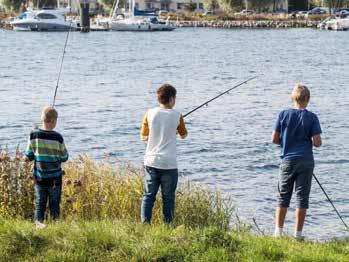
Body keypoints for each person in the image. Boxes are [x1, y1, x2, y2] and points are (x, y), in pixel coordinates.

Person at [271, 83, 322, 240]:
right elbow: (317, 142)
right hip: (306, 161)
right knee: (302, 197)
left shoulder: (283, 114)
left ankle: (278, 233)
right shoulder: (312, 117)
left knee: (283, 196)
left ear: (293, 98)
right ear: (308, 99)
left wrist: (286, 143)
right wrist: (309, 141)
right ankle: (297, 236)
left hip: (287, 160)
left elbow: (274, 139)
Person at [140, 84, 188, 224]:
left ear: (159, 98)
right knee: (168, 198)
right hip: (168, 163)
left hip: (151, 161)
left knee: (148, 196)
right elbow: (184, 135)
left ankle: (145, 225)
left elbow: (143, 137)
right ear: (172, 98)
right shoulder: (177, 115)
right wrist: (173, 129)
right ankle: (168, 226)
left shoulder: (149, 113)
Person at [25, 106, 69, 229]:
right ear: (54, 121)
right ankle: (55, 227)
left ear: (42, 119)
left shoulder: (33, 135)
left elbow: (28, 155)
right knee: (54, 205)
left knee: (40, 204)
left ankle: (38, 225)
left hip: (40, 178)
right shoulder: (58, 137)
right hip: (55, 179)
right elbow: (64, 157)